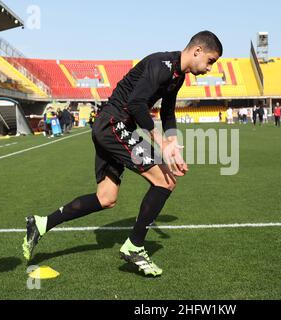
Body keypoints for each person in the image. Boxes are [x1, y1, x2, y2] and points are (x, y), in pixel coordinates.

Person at [22, 31, 223, 277]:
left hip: (113, 127)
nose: (209, 68)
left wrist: (173, 146)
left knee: (106, 197)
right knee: (166, 181)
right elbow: (137, 104)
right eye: (211, 61)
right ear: (197, 51)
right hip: (113, 125)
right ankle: (135, 246)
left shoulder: (177, 76)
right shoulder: (161, 64)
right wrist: (159, 141)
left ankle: (41, 224)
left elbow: (168, 112)